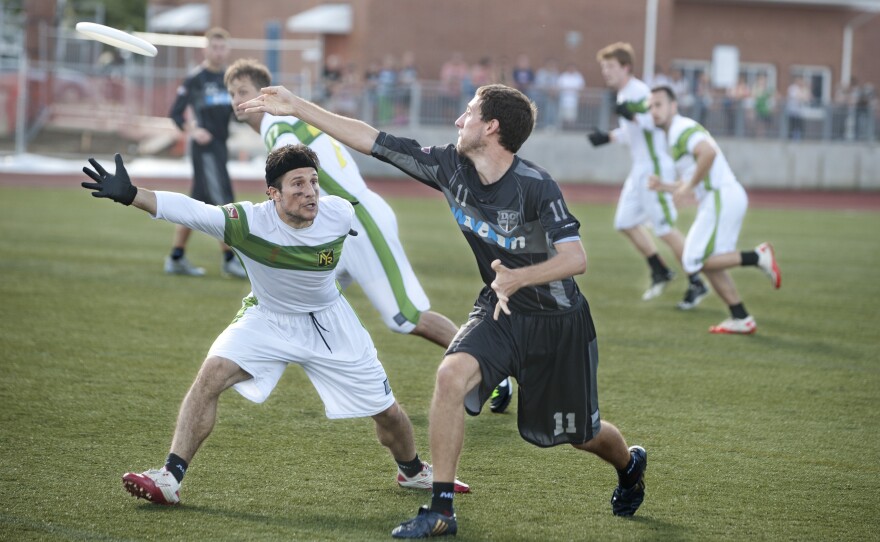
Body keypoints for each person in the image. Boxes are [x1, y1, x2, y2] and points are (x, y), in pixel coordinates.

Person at [237, 83, 648, 538]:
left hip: (558, 323)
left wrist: (518, 276)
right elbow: (372, 140)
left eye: (468, 113)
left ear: (490, 127)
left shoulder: (536, 186)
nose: (458, 120)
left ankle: (629, 465)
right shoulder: (450, 166)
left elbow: (576, 259)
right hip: (499, 311)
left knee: (580, 435)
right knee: (450, 375)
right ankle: (441, 510)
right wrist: (297, 106)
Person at [80, 146, 470, 506]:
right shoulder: (246, 222)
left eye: (314, 182)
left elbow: (364, 231)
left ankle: (413, 471)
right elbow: (189, 209)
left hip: (329, 322)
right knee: (210, 376)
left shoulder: (339, 213)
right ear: (273, 194)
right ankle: (170, 477)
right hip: (267, 316)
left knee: (387, 414)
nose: (310, 192)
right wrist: (132, 194)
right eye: (297, 184)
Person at [225, 58, 513, 414]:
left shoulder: (275, 123)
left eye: (243, 91)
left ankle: (491, 368)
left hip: (358, 225)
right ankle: (235, 369)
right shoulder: (283, 122)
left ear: (263, 92)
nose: (236, 99)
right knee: (291, 303)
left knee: (404, 317)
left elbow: (297, 177)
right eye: (231, 92)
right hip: (335, 230)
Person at [647, 86, 782, 334]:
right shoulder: (675, 134)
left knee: (693, 259)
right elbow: (690, 178)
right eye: (650, 107)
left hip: (721, 197)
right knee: (706, 262)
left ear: (673, 106)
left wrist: (688, 187)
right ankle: (740, 317)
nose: (653, 111)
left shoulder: (679, 128)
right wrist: (664, 186)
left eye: (659, 105)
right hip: (721, 198)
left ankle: (758, 256)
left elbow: (708, 153)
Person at [588, 42, 708, 309]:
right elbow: (633, 133)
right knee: (624, 221)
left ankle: (697, 280)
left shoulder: (640, 92)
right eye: (603, 67)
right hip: (640, 167)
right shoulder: (623, 95)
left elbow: (655, 122)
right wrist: (607, 136)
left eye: (610, 66)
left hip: (655, 167)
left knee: (665, 229)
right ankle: (660, 270)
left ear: (626, 67)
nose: (605, 72)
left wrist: (632, 115)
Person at [167, 27, 246, 279]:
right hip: (204, 151)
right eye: (214, 46)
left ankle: (176, 257)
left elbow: (237, 115)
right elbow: (175, 113)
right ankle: (229, 259)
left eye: (223, 47)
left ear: (228, 50)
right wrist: (194, 130)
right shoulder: (195, 79)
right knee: (223, 203)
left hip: (220, 149)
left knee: (197, 203)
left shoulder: (229, 79)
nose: (219, 51)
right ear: (206, 49)